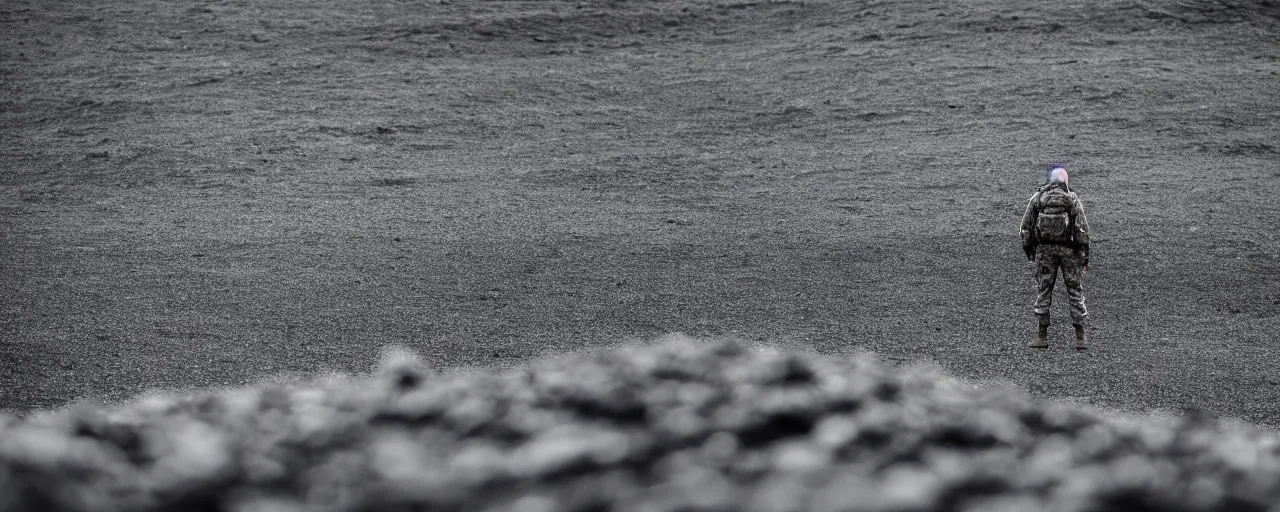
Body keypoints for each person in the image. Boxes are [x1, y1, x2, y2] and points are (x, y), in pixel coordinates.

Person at [1020, 165, 1091, 349]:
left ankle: (1041, 336)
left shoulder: (1039, 198)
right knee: (1075, 291)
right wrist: (1084, 254)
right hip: (1069, 252)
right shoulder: (1071, 198)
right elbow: (1082, 228)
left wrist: (1029, 251)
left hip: (1045, 252)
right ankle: (1080, 337)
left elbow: (1025, 227)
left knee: (1043, 291)